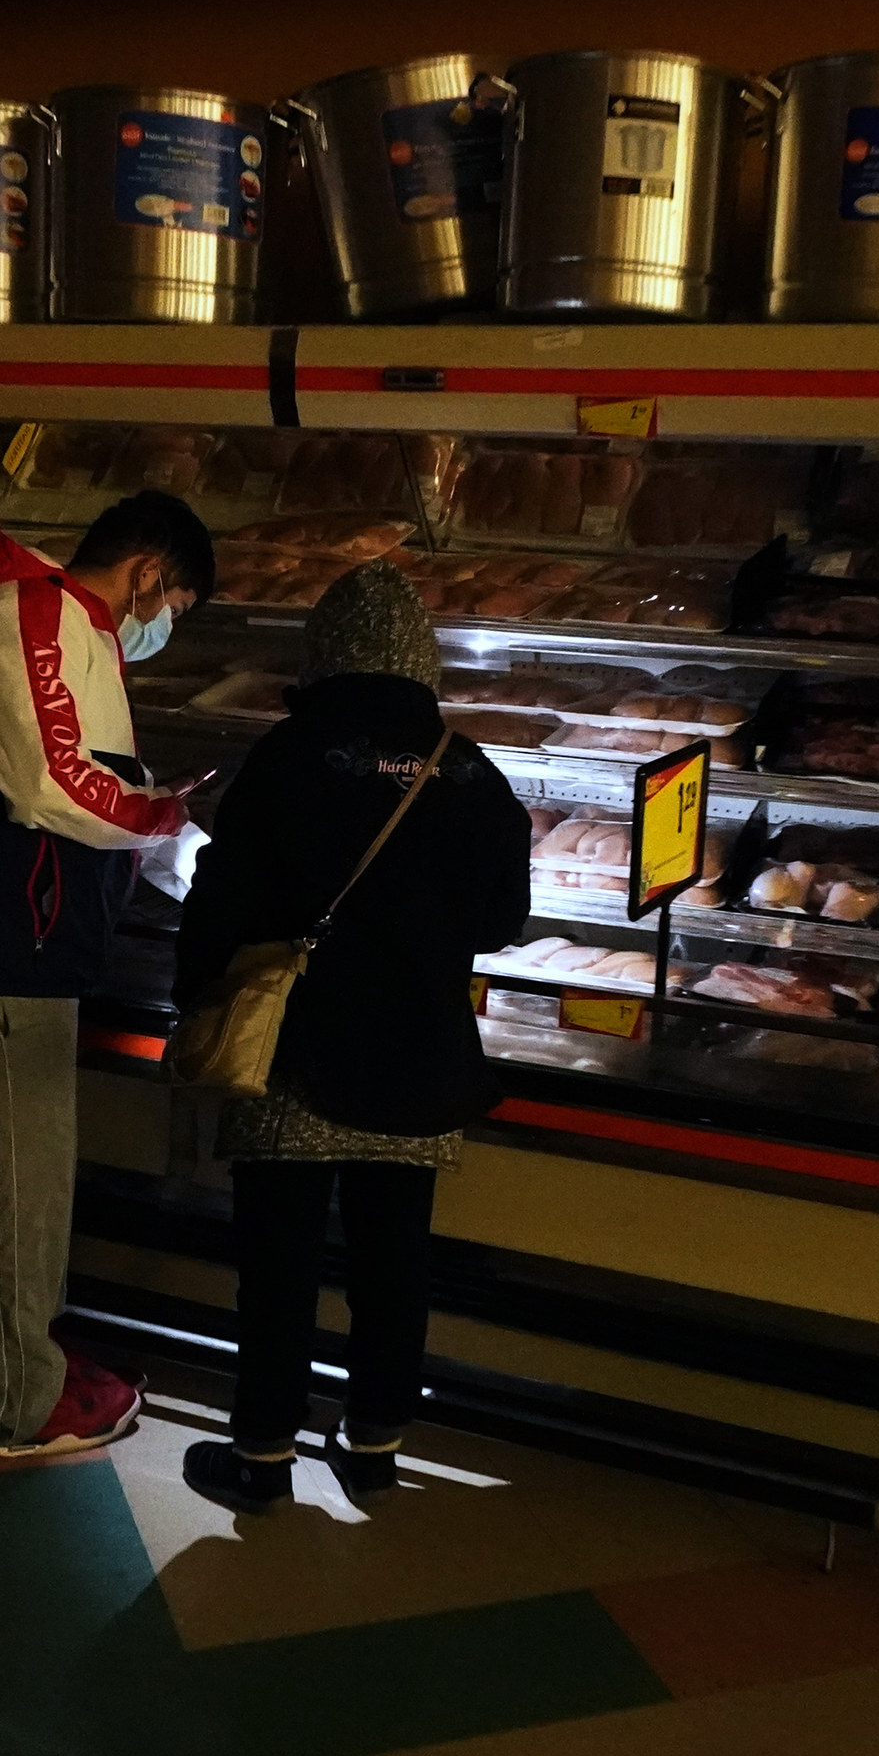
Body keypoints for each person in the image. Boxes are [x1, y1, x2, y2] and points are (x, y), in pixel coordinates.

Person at [170, 565, 530, 1513]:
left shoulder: (290, 754)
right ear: (421, 658)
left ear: (323, 652)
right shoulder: (470, 767)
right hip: (420, 1054)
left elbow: (223, 893)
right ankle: (373, 1444)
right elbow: (504, 917)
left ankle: (260, 1458)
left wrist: (195, 996)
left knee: (279, 1264)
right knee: (393, 1262)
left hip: (297, 1048)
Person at [0, 491, 214, 1457]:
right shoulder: (25, 611)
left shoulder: (80, 636)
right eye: (178, 606)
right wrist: (159, 823)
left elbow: (107, 785)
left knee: (36, 1175)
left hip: (31, 945)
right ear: (150, 570)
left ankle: (32, 1356)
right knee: (20, 1181)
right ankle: (16, 1404)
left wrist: (197, 867)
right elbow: (49, 783)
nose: (166, 626)